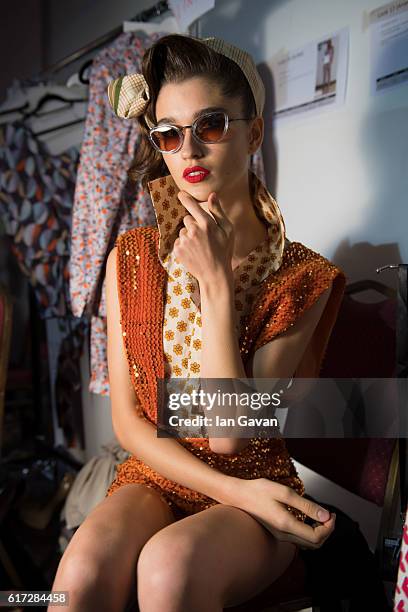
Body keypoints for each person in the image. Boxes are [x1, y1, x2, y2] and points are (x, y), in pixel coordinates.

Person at [49, 34, 346, 611]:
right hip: (168, 473)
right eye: (168, 133)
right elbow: (131, 422)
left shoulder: (302, 277)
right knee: (72, 585)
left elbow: (230, 435)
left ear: (253, 133)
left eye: (211, 125)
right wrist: (234, 491)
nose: (188, 151)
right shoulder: (131, 257)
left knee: (169, 569)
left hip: (258, 486)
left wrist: (214, 284)